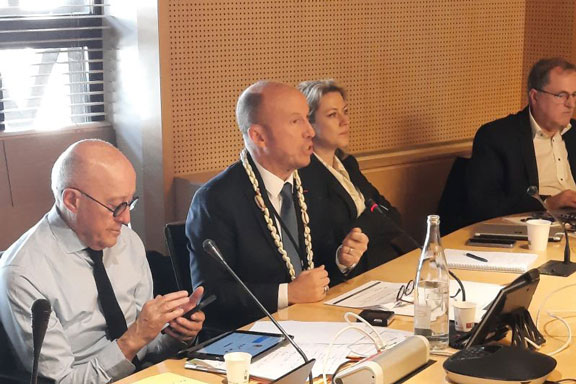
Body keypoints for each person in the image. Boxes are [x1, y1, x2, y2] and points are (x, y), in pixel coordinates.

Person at [0, 140, 205, 384]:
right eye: (116, 206)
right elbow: (60, 381)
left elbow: (148, 350)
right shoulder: (23, 273)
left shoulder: (127, 241)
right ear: (72, 201)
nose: (126, 218)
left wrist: (177, 335)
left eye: (130, 202)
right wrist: (134, 338)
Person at [186, 81, 350, 333]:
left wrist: (341, 260)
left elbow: (315, 263)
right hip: (247, 340)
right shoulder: (216, 200)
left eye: (308, 119)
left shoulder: (311, 182)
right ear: (258, 136)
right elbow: (211, 295)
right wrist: (289, 293)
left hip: (314, 324)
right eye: (296, 122)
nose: (310, 132)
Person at [297, 80, 412, 284]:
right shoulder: (304, 177)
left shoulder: (348, 164)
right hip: (353, 280)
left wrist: (362, 229)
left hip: (386, 265)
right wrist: (372, 221)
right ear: (309, 124)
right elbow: (331, 242)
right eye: (333, 115)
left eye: (345, 111)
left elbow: (393, 217)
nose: (345, 121)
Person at [467, 58, 576, 223]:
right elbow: (484, 205)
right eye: (561, 95)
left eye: (574, 95)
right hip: (533, 226)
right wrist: (548, 203)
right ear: (535, 96)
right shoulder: (497, 136)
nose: (571, 104)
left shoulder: (574, 133)